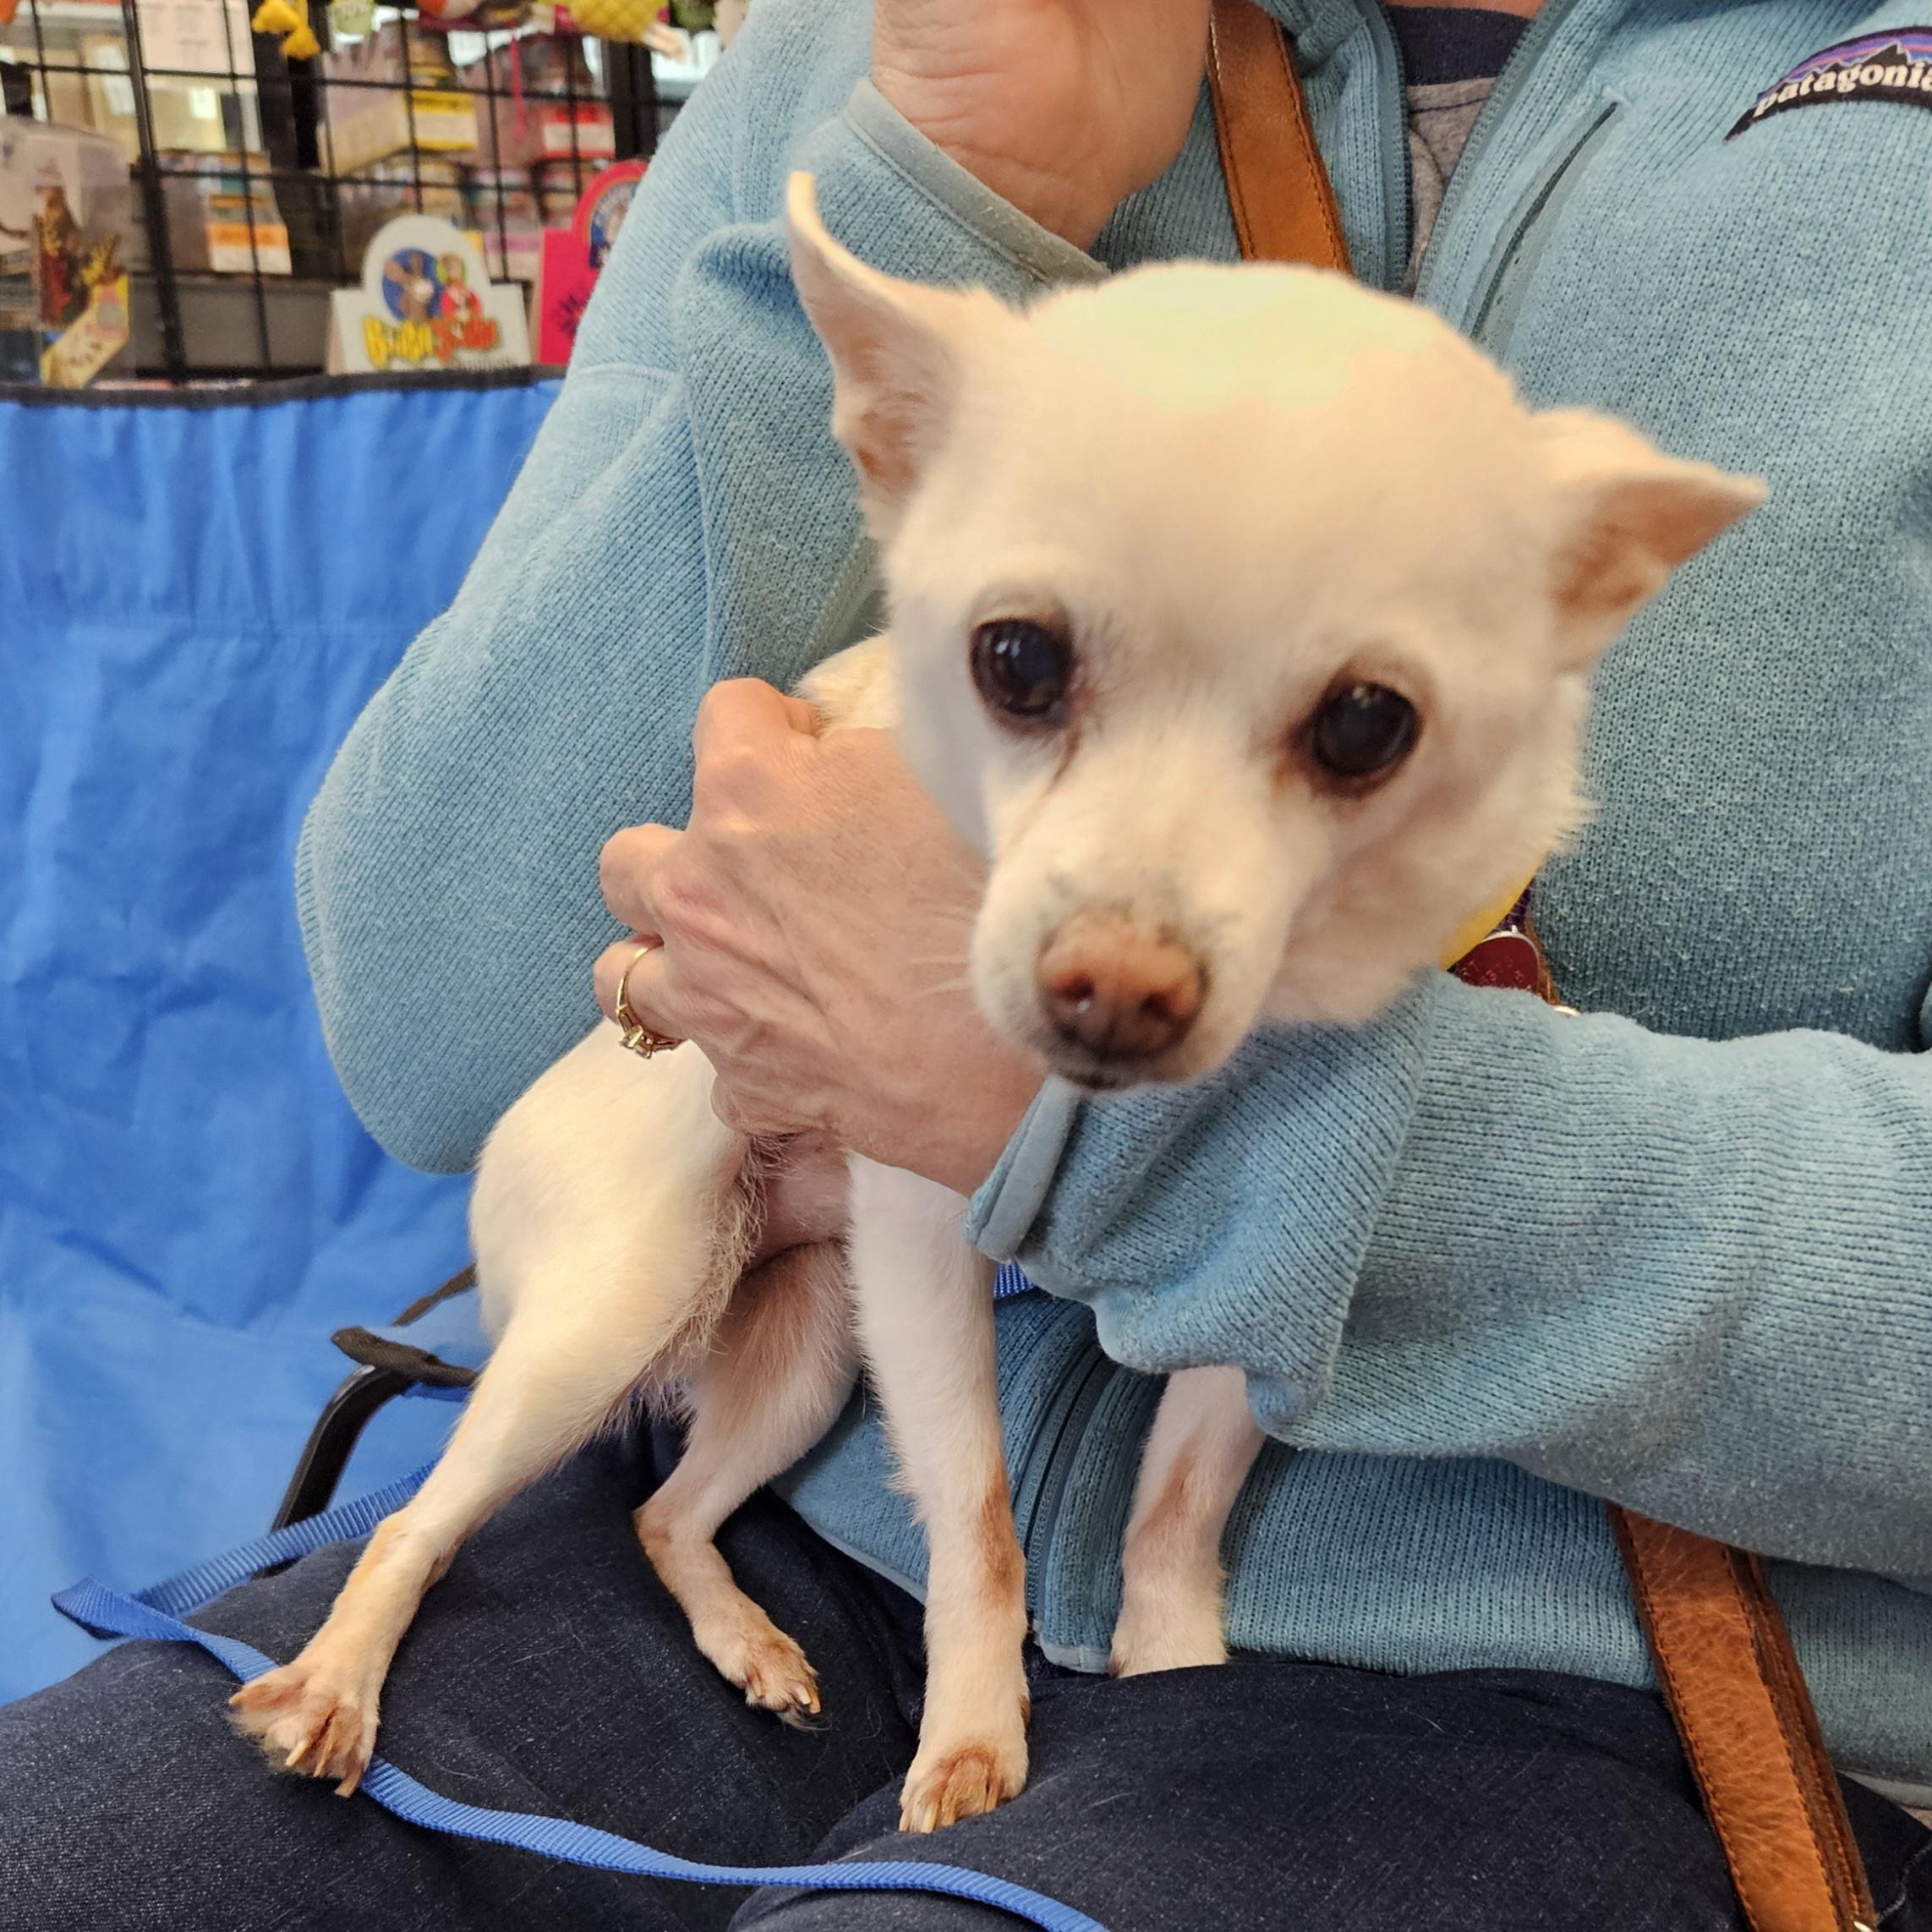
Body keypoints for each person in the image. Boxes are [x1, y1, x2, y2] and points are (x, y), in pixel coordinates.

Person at [6, 0, 1932, 1923]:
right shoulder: (885, 42)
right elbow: (429, 1026)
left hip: (1569, 1659)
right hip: (815, 1499)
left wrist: (1147, 1135)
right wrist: (953, 194)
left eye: (1349, 732)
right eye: (1028, 668)